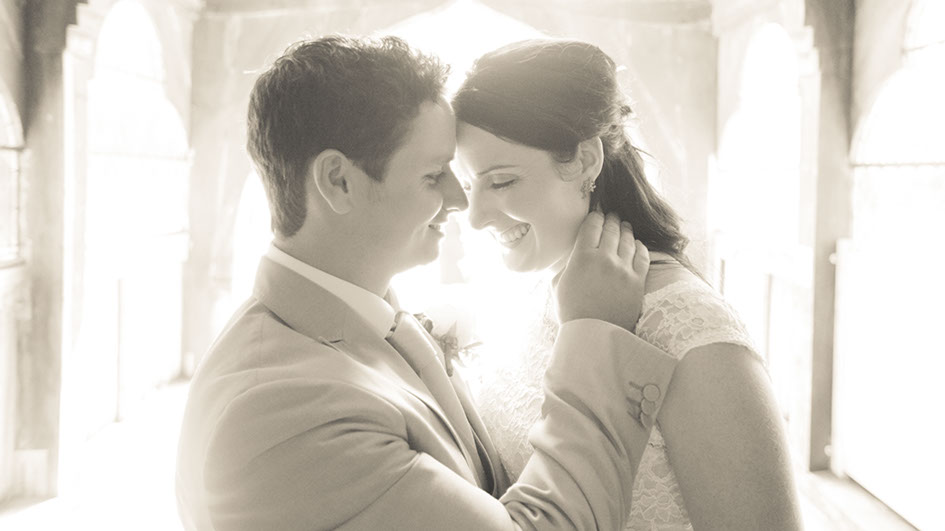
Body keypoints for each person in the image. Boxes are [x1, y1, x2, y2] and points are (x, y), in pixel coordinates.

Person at [175, 34, 677, 531]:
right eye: (434, 174)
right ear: (338, 181)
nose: (461, 202)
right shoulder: (284, 412)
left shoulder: (360, 317)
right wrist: (592, 333)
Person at [453, 38, 803, 531]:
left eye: (502, 182)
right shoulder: (548, 288)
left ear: (583, 161)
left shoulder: (686, 327)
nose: (475, 217)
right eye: (468, 186)